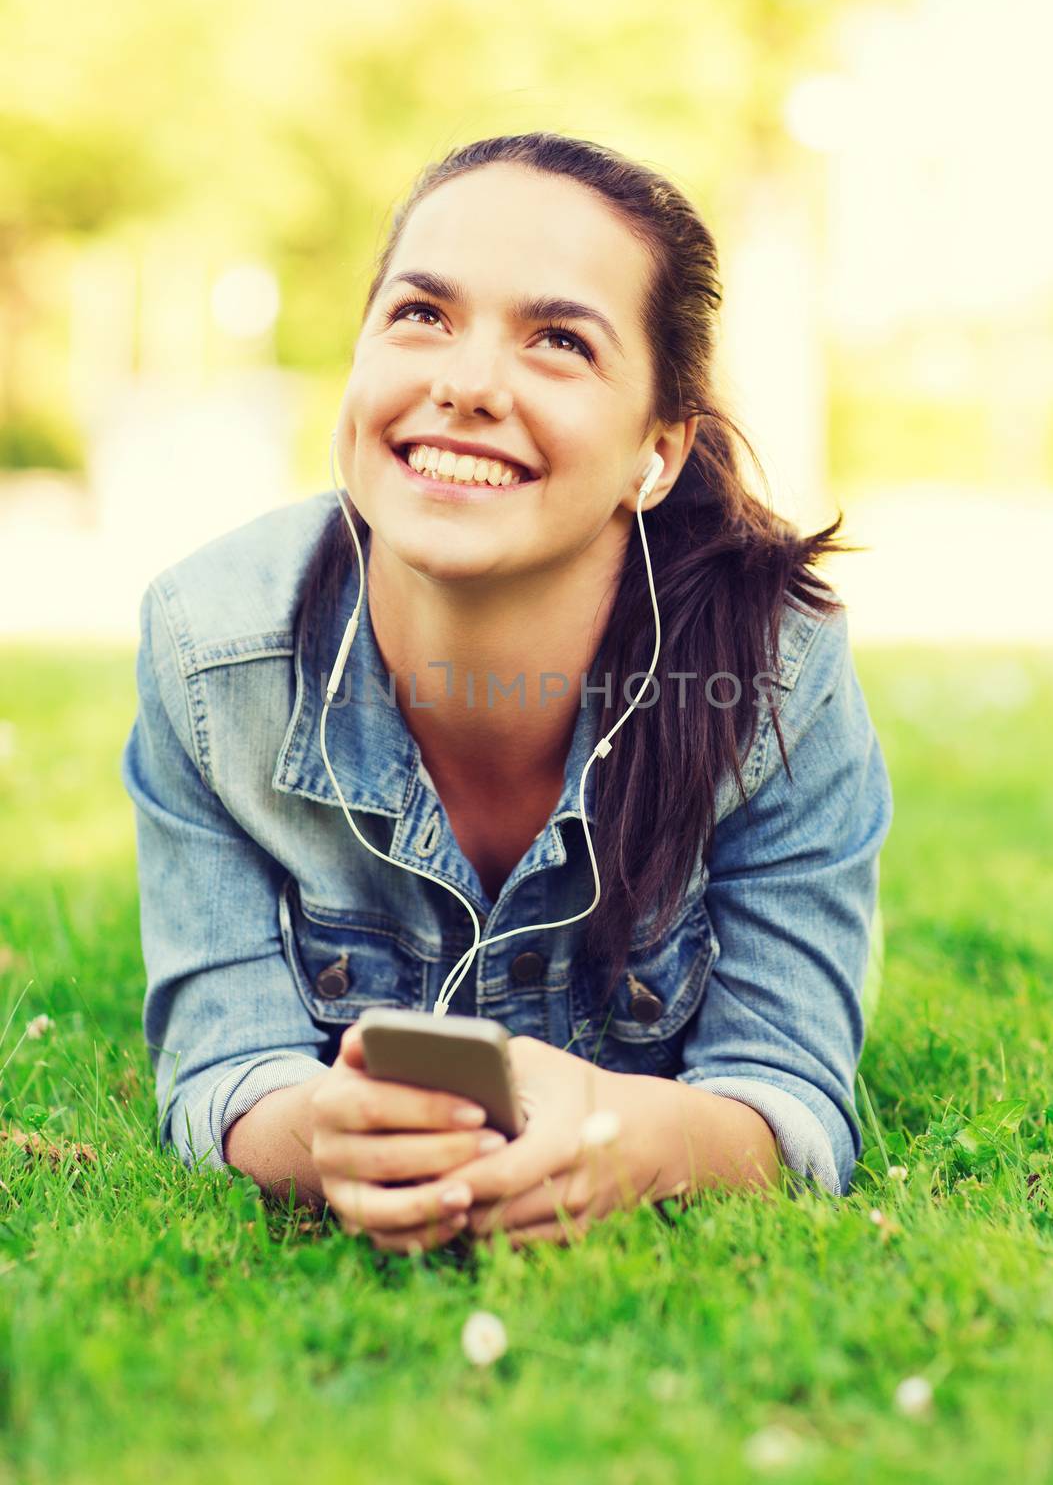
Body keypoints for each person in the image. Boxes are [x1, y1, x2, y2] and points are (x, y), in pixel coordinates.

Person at [120, 131, 894, 1255]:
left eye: (558, 340)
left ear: (656, 452)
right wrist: (322, 1140)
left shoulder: (773, 673)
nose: (465, 382)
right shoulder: (210, 652)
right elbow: (224, 1068)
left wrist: (647, 1135)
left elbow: (788, 1095)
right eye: (421, 314)